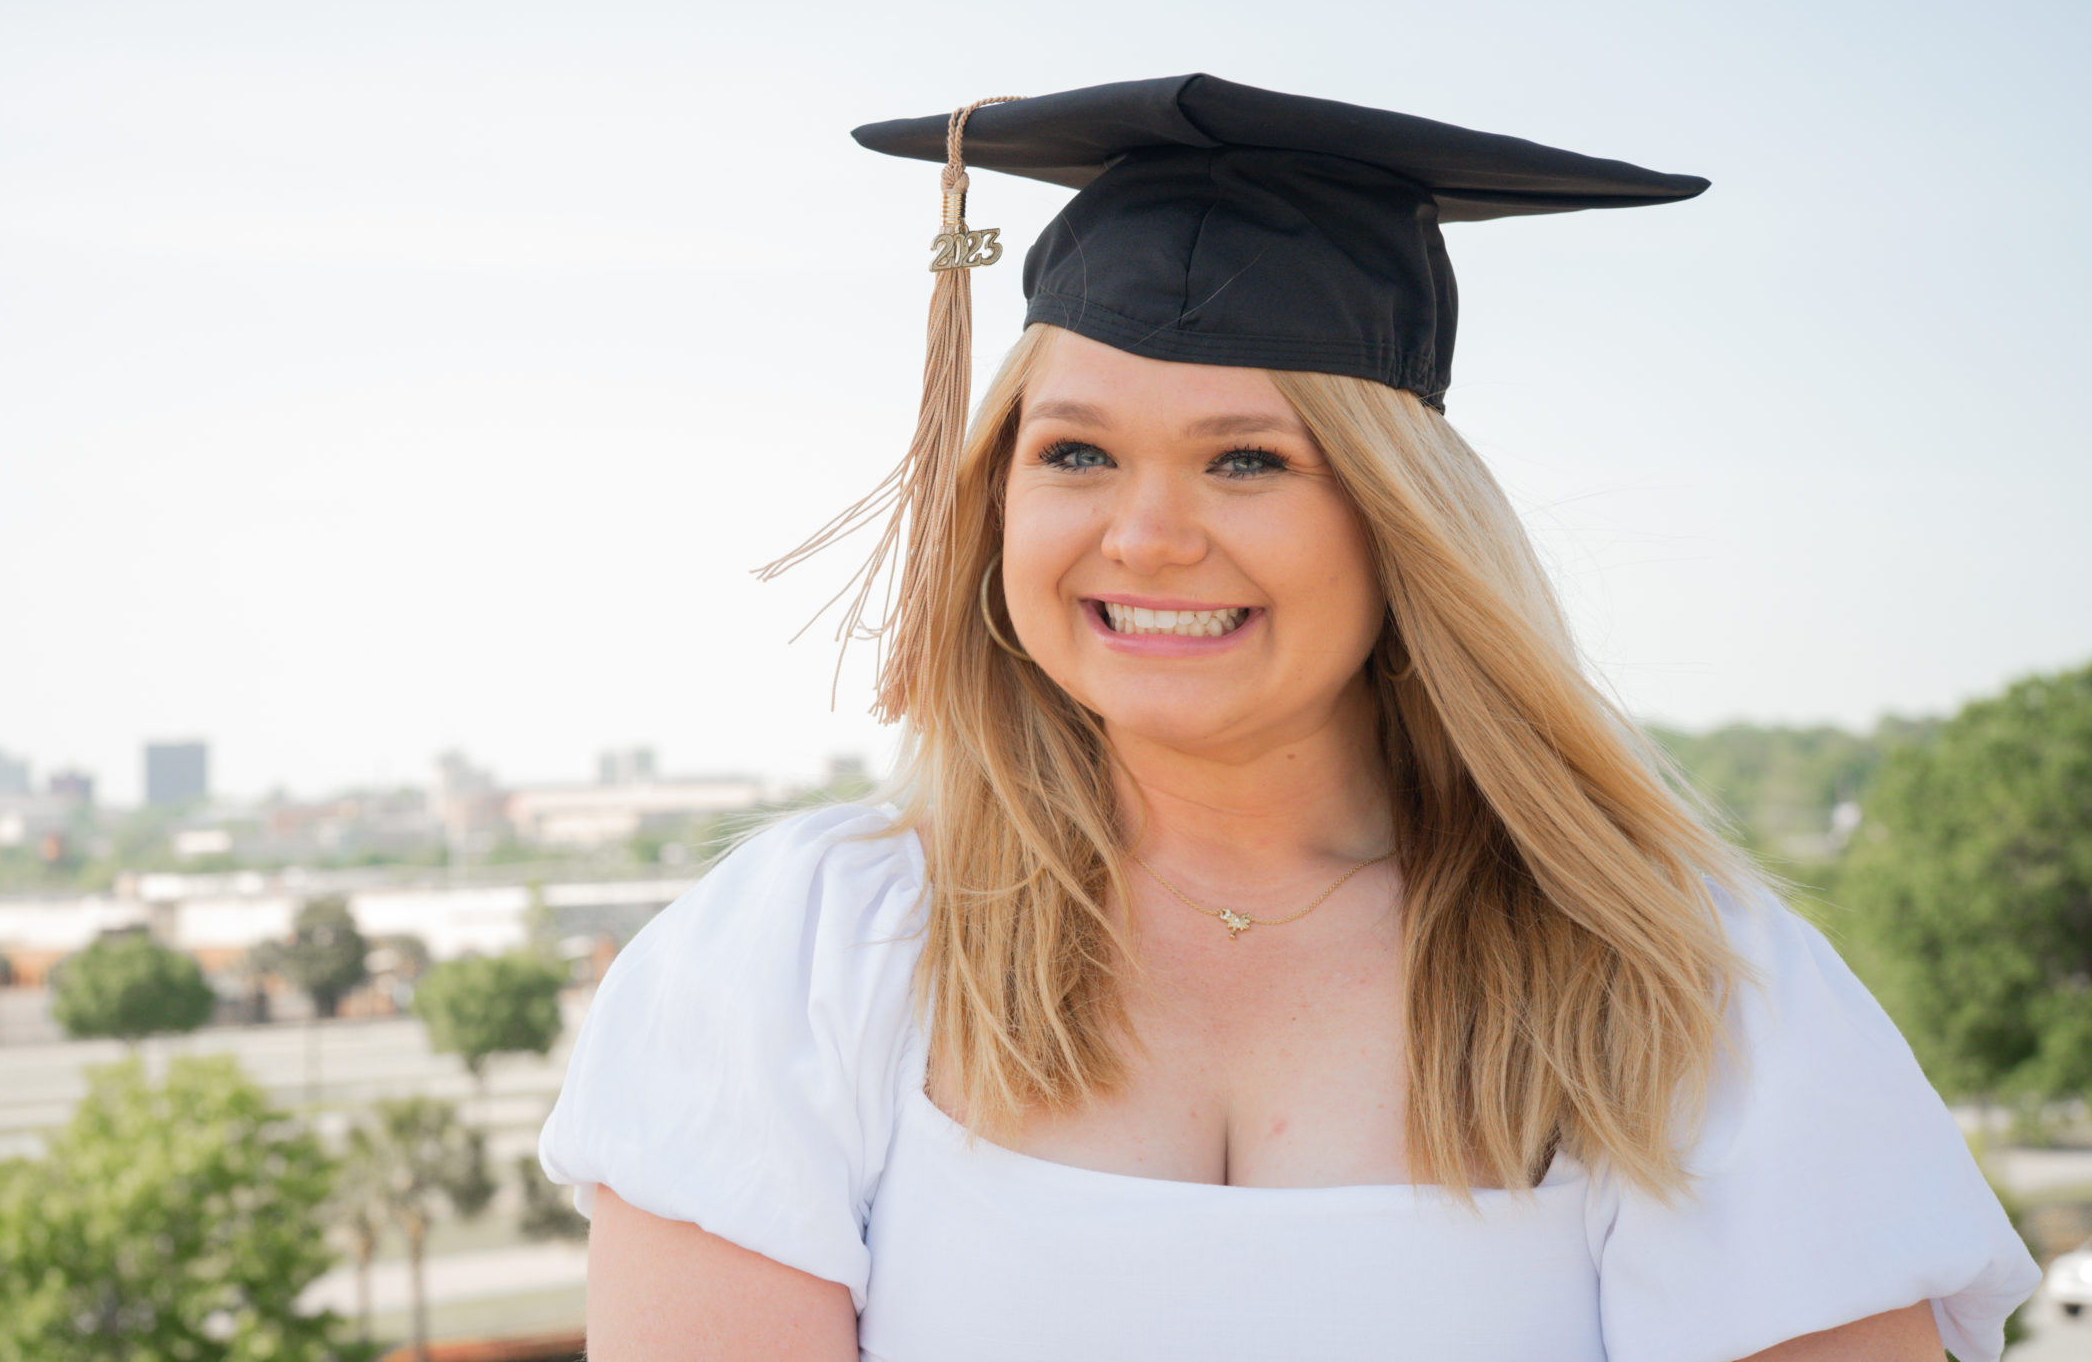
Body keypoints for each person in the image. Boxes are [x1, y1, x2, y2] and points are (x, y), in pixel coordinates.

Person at [540, 76, 2039, 1360]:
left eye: (1247, 461)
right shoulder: (814, 957)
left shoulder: (1666, 981)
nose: (1144, 536)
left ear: (1401, 521)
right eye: (1074, 454)